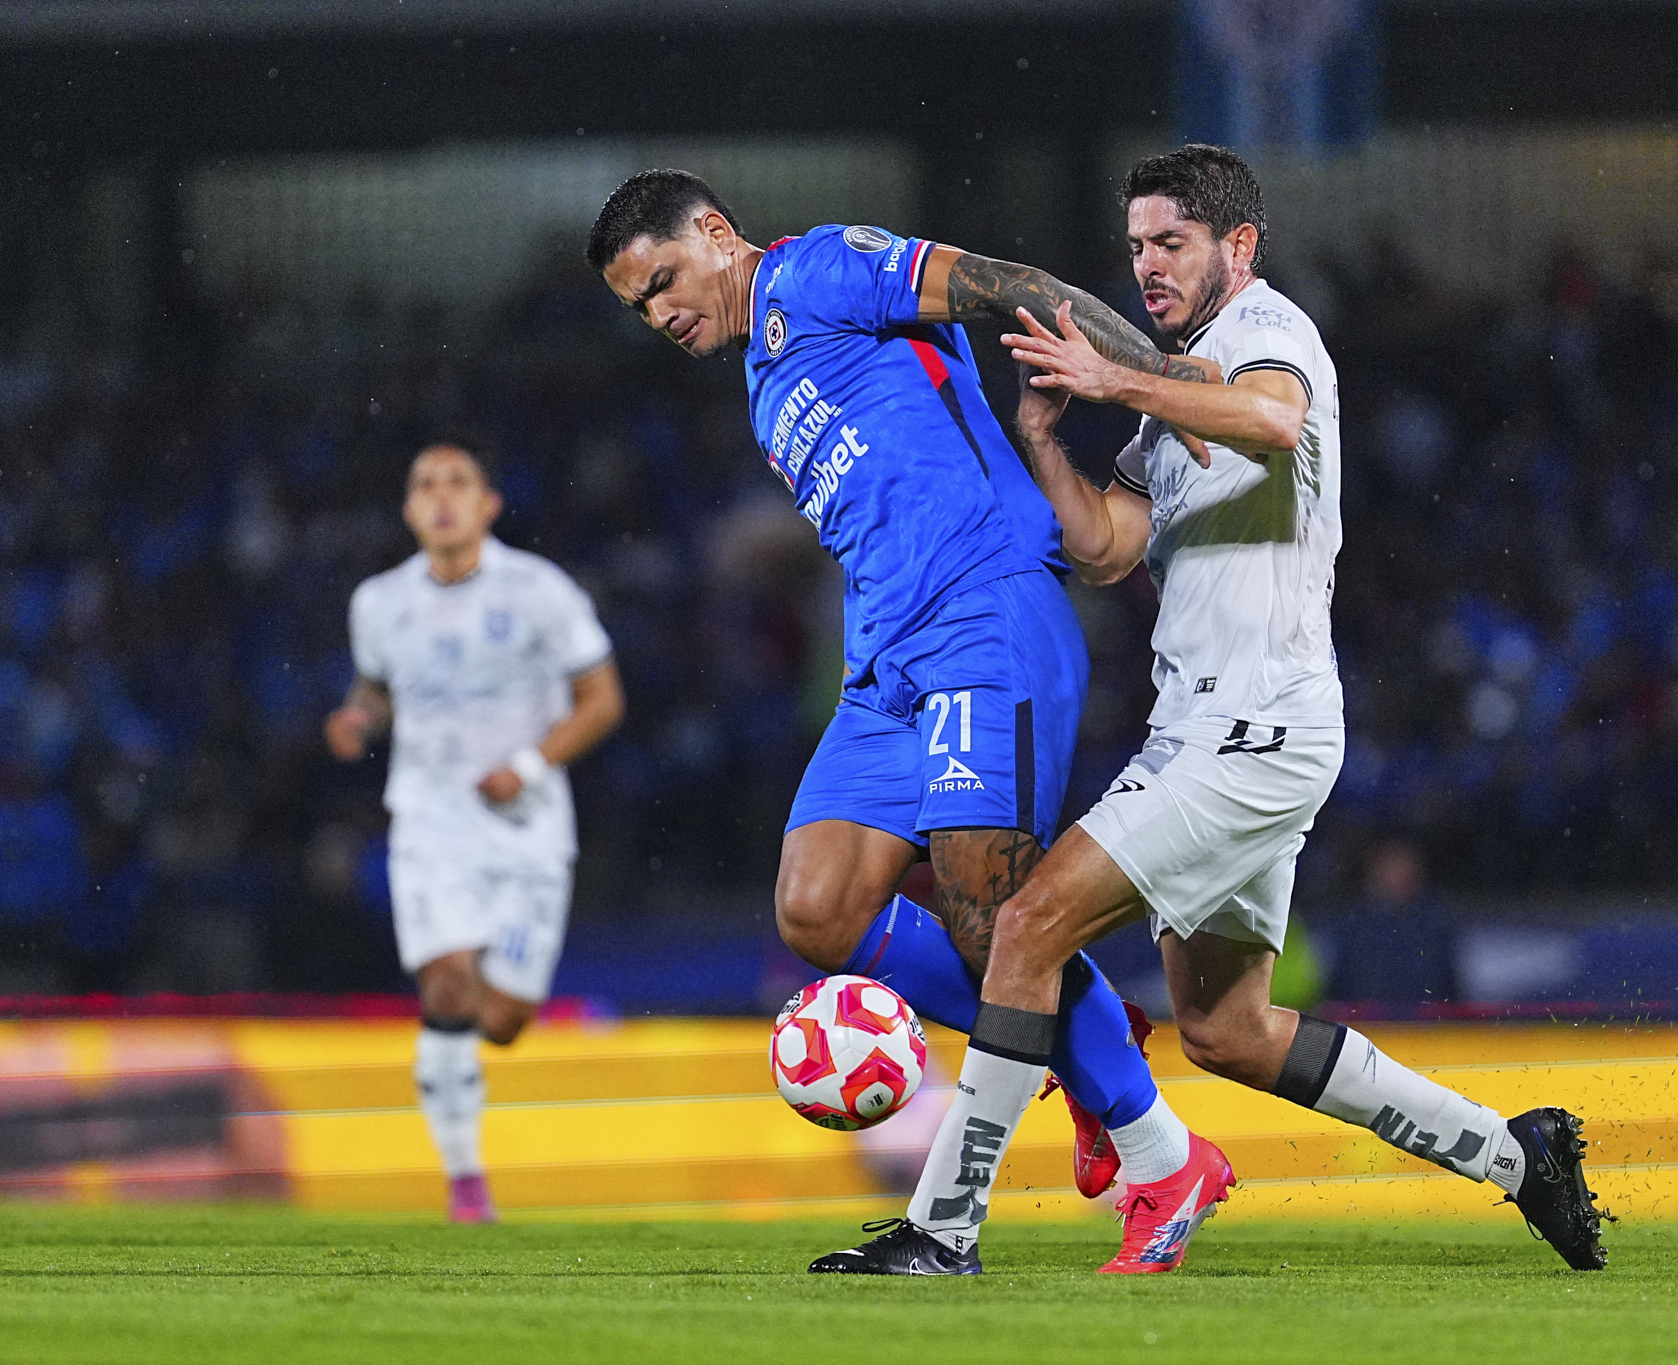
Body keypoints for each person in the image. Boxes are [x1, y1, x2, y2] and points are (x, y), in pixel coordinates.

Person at [882, 144, 1610, 1274]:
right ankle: (1517, 1157)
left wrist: (1118, 380)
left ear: (1239, 245)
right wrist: (1041, 437)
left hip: (1248, 727)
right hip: (1219, 728)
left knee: (1022, 926)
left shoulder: (1265, 336)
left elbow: (1271, 424)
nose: (1145, 269)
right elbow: (1109, 548)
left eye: (1168, 243)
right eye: (1133, 248)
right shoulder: (1171, 389)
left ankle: (940, 1229)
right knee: (1225, 1031)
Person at [585, 171, 1221, 1274]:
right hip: (883, 670)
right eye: (637, 308)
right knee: (818, 911)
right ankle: (1089, 1039)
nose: (658, 315)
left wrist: (1154, 379)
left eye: (661, 283)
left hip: (984, 620)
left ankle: (1159, 1159)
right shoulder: (762, 379)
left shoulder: (822, 268)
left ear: (713, 234)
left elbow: (1001, 284)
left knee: (992, 926)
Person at [326, 442, 625, 1223]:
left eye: (457, 481)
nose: (441, 496)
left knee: (501, 1019)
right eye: (424, 483)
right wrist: (361, 718)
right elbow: (378, 685)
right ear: (408, 509)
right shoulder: (379, 602)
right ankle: (464, 1181)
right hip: (430, 819)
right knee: (448, 980)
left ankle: (470, 1126)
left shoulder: (538, 591)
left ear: (489, 504)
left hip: (525, 825)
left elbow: (601, 699)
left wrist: (526, 765)